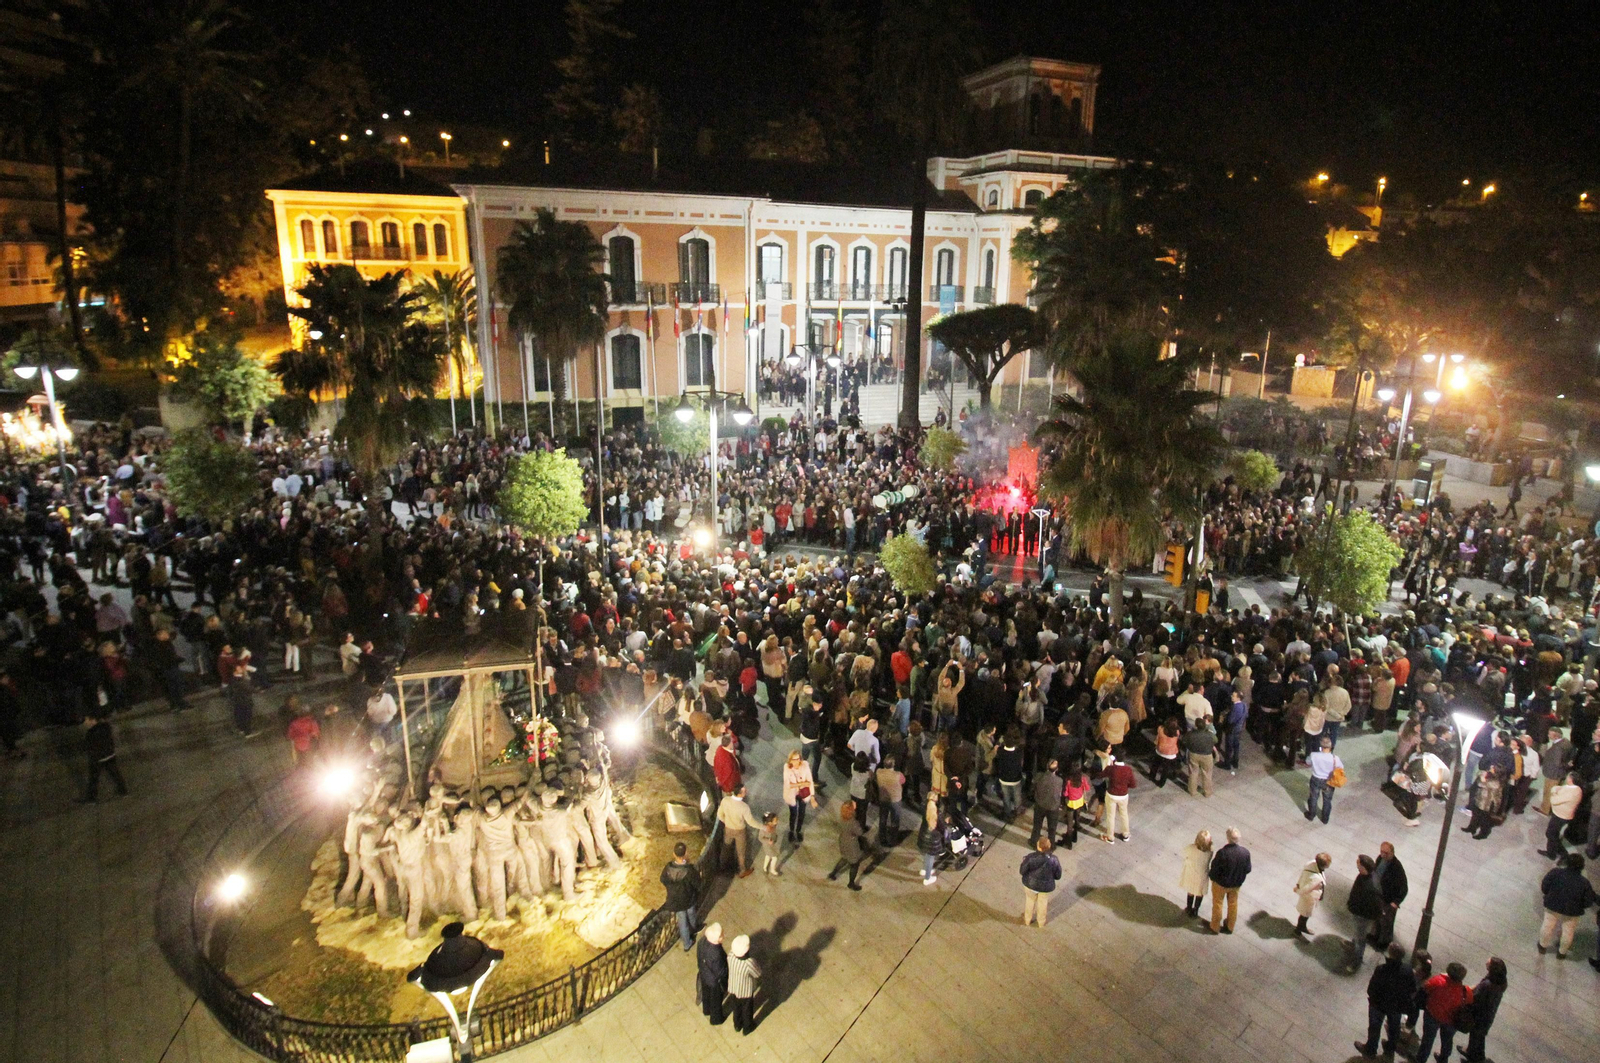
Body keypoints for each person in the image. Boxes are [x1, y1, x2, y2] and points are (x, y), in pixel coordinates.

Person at [1354, 943, 1415, 1058]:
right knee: (1394, 1028)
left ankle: (1370, 1049)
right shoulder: (1407, 970)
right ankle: (1390, 1048)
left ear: (1390, 953)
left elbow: (1372, 987)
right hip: (1396, 1006)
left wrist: (1372, 998)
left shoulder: (1382, 969)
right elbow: (1412, 989)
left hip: (1379, 1004)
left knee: (1374, 1027)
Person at [1537, 853, 1597, 958]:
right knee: (1568, 932)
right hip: (1572, 911)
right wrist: (1579, 906)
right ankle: (1562, 953)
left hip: (1553, 905)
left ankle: (1542, 946)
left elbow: (1545, 886)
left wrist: (1548, 895)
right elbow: (1588, 901)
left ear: (1567, 863)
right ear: (1582, 866)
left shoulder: (1555, 872)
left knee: (1547, 926)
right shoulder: (1584, 882)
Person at [1414, 961, 1473, 1063]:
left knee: (1427, 1039)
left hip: (1432, 1015)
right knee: (1447, 1041)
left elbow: (1425, 988)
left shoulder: (1437, 981)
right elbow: (1469, 1002)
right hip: (1451, 1021)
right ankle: (1443, 1058)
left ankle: (1421, 1059)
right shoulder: (1465, 991)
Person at [1459, 957, 1506, 1063]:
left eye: (1488, 963)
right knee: (1479, 1037)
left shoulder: (1487, 985)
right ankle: (1474, 1053)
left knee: (1476, 1036)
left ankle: (1474, 1058)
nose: (1486, 962)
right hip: (1488, 1014)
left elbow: (1475, 997)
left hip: (1480, 1015)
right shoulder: (1500, 981)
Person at [1208, 826, 1252, 934]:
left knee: (1218, 904)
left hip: (1221, 884)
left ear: (1227, 838)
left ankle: (1215, 926)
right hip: (1236, 884)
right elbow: (1248, 869)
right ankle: (1230, 926)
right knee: (1233, 904)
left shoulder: (1222, 853)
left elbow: (1214, 868)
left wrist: (1212, 878)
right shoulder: (1245, 853)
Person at [1345, 854, 1385, 972]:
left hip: (1363, 916)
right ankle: (1353, 943)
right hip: (1358, 911)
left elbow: (1377, 906)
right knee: (1357, 934)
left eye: (1358, 863)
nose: (1356, 864)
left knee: (1361, 938)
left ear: (1363, 867)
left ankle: (1357, 961)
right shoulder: (1366, 875)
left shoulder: (1371, 887)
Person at [77, 712, 128, 803]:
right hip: (109, 755)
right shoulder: (106, 727)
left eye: (86, 720)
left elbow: (89, 747)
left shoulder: (91, 733)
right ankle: (123, 791)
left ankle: (91, 798)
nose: (85, 723)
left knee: (93, 778)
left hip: (98, 759)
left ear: (92, 720)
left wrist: (92, 756)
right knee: (115, 773)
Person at [661, 842, 701, 951]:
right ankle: (695, 929)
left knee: (682, 921)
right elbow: (697, 883)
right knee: (691, 914)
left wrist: (672, 888)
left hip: (675, 900)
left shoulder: (668, 868)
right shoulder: (689, 869)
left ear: (674, 854)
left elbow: (663, 880)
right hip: (688, 898)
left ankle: (686, 944)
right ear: (686, 853)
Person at [717, 785, 761, 878]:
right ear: (740, 794)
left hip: (728, 828)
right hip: (740, 831)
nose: (746, 792)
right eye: (744, 791)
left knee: (726, 847)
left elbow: (720, 815)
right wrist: (763, 827)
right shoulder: (744, 807)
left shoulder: (725, 801)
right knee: (741, 852)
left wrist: (726, 822)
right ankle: (742, 870)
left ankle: (722, 867)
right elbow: (751, 822)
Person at [1019, 837, 1062, 927]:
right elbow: (1058, 875)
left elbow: (1022, 871)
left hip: (1031, 884)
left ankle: (1027, 919)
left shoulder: (1031, 857)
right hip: (1046, 887)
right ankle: (1041, 922)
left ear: (1038, 847)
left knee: (1030, 901)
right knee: (1043, 903)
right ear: (1049, 846)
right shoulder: (1054, 860)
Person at [1373, 841, 1409, 947]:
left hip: (1389, 899)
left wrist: (1396, 902)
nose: (1383, 855)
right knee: (1377, 918)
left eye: (1386, 853)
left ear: (1392, 853)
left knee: (1386, 923)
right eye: (1382, 852)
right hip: (1379, 895)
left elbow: (1404, 887)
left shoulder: (1396, 867)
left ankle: (1384, 942)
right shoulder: (1380, 859)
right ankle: (1376, 936)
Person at [828, 799, 868, 890]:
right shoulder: (853, 822)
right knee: (854, 864)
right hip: (851, 845)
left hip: (843, 841)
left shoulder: (842, 817)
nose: (855, 805)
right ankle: (851, 883)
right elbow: (860, 832)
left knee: (844, 858)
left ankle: (833, 873)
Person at [781, 748, 818, 844]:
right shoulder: (787, 768)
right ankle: (791, 831)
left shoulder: (805, 765)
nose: (797, 761)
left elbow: (810, 781)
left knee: (801, 813)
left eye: (798, 759)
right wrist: (802, 784)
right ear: (790, 760)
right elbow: (788, 784)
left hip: (803, 794)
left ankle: (798, 831)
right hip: (791, 795)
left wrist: (812, 797)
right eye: (794, 759)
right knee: (793, 814)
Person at [1542, 771, 1582, 858]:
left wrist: (1553, 793)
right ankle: (1551, 853)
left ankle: (1564, 854)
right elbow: (1557, 788)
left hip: (1561, 816)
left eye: (1568, 777)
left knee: (1550, 834)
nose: (1566, 777)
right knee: (1553, 834)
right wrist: (1556, 791)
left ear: (1571, 780)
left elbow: (1553, 800)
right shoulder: (1574, 788)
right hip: (1559, 814)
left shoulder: (1572, 793)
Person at [1305, 736, 1344, 824]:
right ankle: (1325, 819)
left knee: (1313, 798)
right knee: (1327, 800)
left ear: (1321, 746)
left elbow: (1308, 762)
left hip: (1315, 779)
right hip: (1329, 781)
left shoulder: (1314, 755)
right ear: (1330, 747)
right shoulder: (1335, 758)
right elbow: (1341, 767)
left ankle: (1311, 815)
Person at [1292, 852, 1331, 937]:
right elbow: (1305, 890)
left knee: (1304, 914)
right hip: (1309, 898)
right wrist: (1297, 890)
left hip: (1309, 896)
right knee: (1304, 915)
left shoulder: (1311, 864)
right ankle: (1298, 930)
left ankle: (1301, 927)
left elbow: (1302, 875)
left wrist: (1298, 885)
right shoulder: (1315, 878)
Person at [696, 922, 729, 1025]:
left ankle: (707, 1009)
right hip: (714, 981)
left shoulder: (702, 942)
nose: (723, 936)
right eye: (721, 935)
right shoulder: (716, 953)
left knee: (706, 993)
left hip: (704, 974)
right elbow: (721, 971)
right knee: (716, 1000)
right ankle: (716, 1019)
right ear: (716, 939)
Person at [727, 934, 760, 1035]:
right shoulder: (748, 963)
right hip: (745, 991)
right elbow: (757, 973)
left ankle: (737, 1024)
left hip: (733, 987)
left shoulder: (730, 956)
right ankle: (747, 1027)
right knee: (747, 1010)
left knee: (736, 1007)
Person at [1100, 754, 1136, 842]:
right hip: (1123, 795)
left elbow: (1101, 775)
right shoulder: (1128, 770)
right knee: (1124, 814)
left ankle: (1110, 837)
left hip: (1111, 794)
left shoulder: (1111, 768)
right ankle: (1126, 834)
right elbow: (1133, 784)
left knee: (1110, 816)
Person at [1029, 758, 1063, 848]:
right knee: (1052, 828)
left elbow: (1033, 786)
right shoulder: (1059, 780)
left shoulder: (1039, 776)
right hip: (1053, 807)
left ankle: (1034, 842)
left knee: (1037, 825)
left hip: (1040, 804)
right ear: (1057, 769)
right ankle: (1051, 845)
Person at [1179, 829, 1213, 918]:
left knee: (1190, 891)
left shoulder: (1191, 848)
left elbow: (1183, 853)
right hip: (1202, 876)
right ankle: (1196, 910)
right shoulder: (1210, 852)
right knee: (1199, 893)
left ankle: (1189, 908)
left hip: (1191, 874)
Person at [1184, 716, 1217, 797]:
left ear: (1196, 725)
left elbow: (1184, 741)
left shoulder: (1190, 734)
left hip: (1194, 754)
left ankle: (1192, 791)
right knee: (1207, 774)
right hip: (1207, 755)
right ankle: (1207, 792)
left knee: (1193, 773)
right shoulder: (1210, 734)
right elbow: (1216, 740)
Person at [917, 794, 944, 886]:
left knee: (926, 855)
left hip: (924, 834)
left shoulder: (924, 808)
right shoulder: (937, 813)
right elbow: (942, 827)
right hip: (932, 839)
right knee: (930, 857)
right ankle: (927, 878)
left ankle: (925, 870)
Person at [759, 812, 782, 876]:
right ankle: (772, 870)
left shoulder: (773, 826)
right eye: (775, 820)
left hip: (771, 844)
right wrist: (767, 841)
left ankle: (765, 867)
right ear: (770, 822)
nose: (777, 821)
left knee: (768, 856)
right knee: (774, 857)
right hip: (767, 845)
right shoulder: (764, 829)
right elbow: (760, 838)